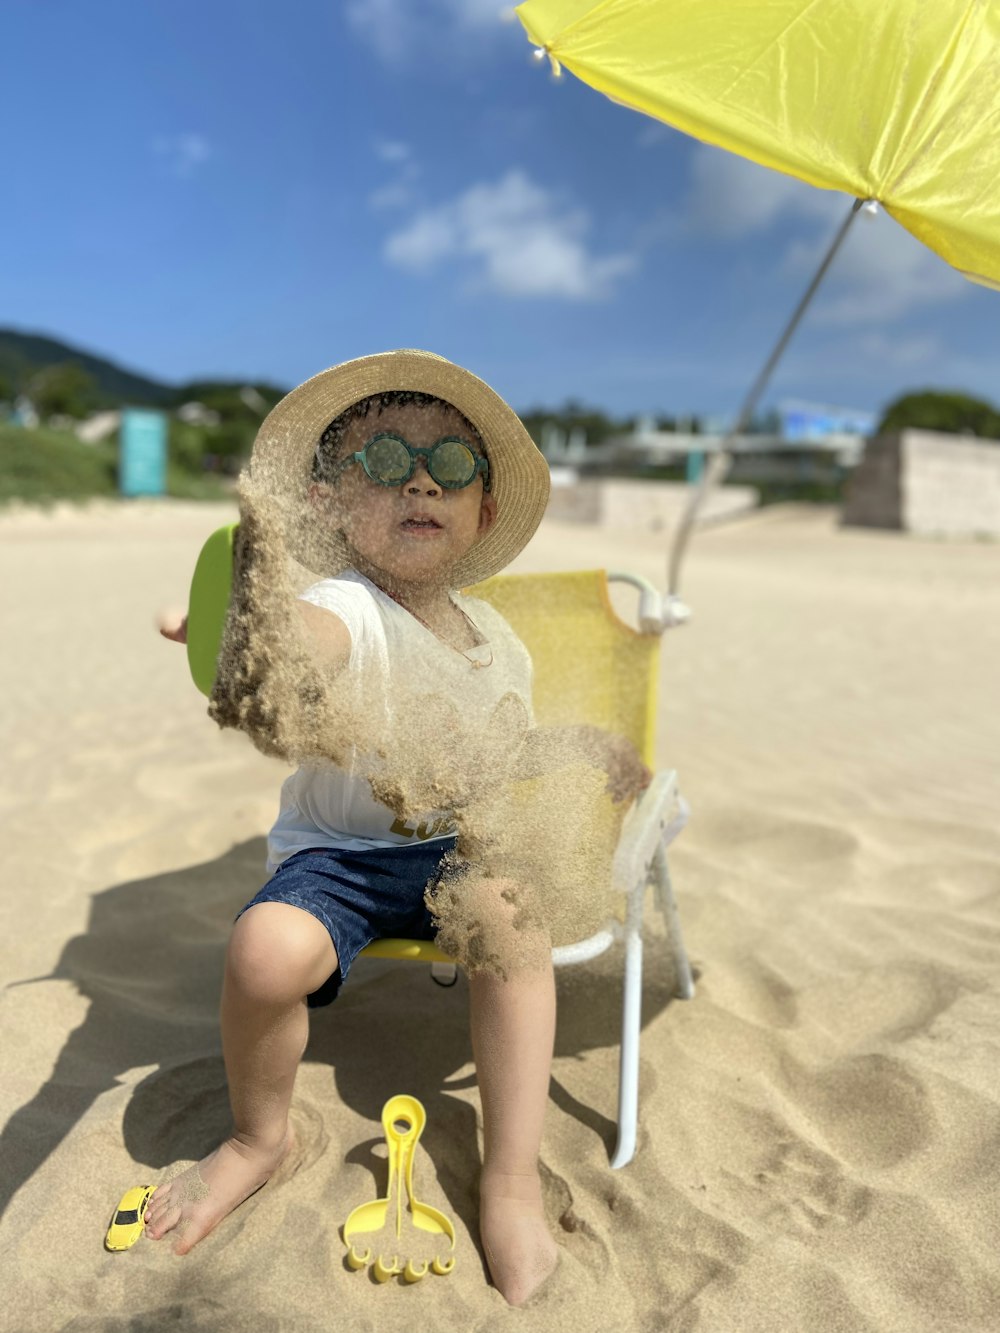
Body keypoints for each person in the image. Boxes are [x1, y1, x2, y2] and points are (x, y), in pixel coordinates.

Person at [152, 350, 649, 1306]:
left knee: (513, 913)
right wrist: (239, 626)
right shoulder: (354, 608)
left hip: (452, 852)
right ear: (334, 502)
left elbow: (503, 751)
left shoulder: (498, 640)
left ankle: (508, 1177)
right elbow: (303, 641)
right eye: (383, 459)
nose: (420, 477)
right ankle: (260, 1136)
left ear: (483, 514)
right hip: (337, 859)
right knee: (262, 952)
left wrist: (578, 743)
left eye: (452, 465)